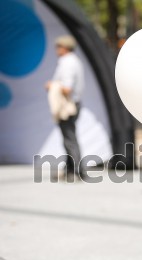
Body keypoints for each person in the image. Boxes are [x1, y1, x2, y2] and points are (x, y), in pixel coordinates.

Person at [45, 35, 85, 181]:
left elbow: (67, 89)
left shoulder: (67, 63)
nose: (57, 49)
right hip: (74, 104)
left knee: (69, 138)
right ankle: (69, 169)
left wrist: (51, 86)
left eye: (58, 46)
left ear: (64, 47)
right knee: (68, 137)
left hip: (68, 105)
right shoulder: (74, 61)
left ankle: (76, 171)